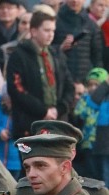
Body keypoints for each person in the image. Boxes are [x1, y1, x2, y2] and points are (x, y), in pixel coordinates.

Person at [6, 11, 75, 140]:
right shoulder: (19, 56)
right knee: (32, 159)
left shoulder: (57, 55)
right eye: (46, 30)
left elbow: (69, 86)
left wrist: (58, 109)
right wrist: (43, 111)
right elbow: (16, 89)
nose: (51, 34)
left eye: (53, 30)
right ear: (33, 31)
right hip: (30, 124)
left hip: (58, 122)